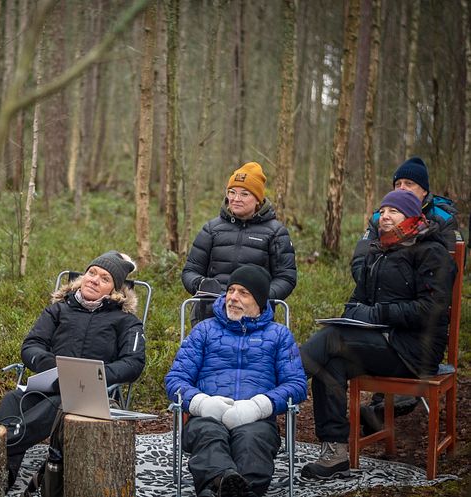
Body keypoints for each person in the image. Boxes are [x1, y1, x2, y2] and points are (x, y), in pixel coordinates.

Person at [299, 190, 455, 480]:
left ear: (412, 217)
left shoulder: (432, 253)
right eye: (382, 211)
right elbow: (355, 301)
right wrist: (353, 315)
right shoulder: (378, 252)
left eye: (393, 211)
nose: (384, 216)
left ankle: (275, 383)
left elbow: (430, 309)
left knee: (332, 339)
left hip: (414, 351)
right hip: (378, 343)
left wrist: (378, 314)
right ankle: (335, 452)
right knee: (328, 362)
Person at [0, 250, 146, 488]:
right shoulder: (58, 309)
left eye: (104, 278)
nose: (94, 279)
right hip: (51, 382)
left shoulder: (125, 320)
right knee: (13, 399)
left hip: (90, 392)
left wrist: (95, 374)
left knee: (61, 405)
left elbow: (134, 363)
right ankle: (1, 475)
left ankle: (0, 440)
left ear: (115, 290)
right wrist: (54, 367)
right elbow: (31, 346)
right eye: (92, 272)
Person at [165, 265, 307, 497]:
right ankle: (227, 484)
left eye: (243, 292)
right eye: (230, 290)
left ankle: (219, 488)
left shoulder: (279, 335)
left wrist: (259, 406)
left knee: (253, 440)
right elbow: (175, 379)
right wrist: (201, 403)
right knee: (208, 435)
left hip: (256, 418)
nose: (232, 297)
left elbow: (297, 384)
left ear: (259, 301)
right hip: (207, 415)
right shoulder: (204, 330)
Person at [350, 156, 463, 430]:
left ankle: (383, 407)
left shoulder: (442, 219)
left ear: (424, 190)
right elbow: (360, 260)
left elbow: (447, 271)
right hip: (381, 301)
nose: (402, 188)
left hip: (421, 318)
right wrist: (377, 279)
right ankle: (378, 409)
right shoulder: (382, 216)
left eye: (409, 183)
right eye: (397, 183)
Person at [181, 162, 296, 326]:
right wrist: (201, 285)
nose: (235, 199)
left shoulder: (276, 233)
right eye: (231, 192)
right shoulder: (212, 229)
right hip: (210, 311)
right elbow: (190, 270)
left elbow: (286, 277)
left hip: (255, 315)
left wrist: (260, 296)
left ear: (257, 199)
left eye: (244, 194)